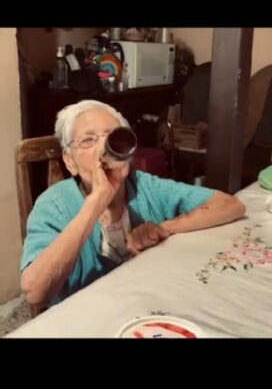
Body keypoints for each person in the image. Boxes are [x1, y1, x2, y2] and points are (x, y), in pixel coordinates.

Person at [21, 100, 246, 308]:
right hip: (85, 315)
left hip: (145, 304)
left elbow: (230, 205)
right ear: (70, 161)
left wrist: (164, 228)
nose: (104, 150)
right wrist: (96, 202)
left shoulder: (143, 186)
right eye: (89, 140)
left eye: (113, 138)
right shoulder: (55, 204)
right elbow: (35, 292)